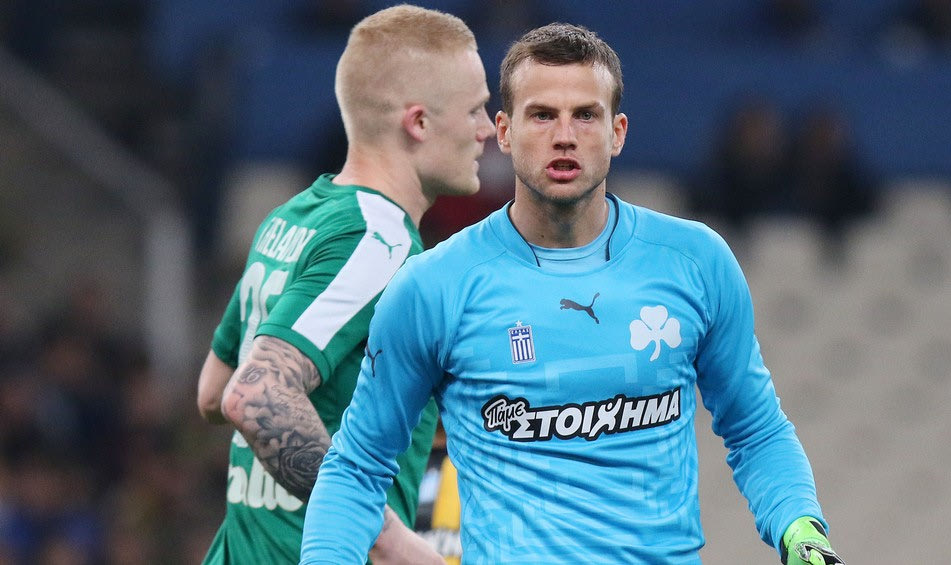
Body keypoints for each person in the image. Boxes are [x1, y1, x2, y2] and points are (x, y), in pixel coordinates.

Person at [301, 23, 844, 565]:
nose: (565, 135)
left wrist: (799, 528)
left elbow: (756, 430)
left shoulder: (696, 262)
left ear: (617, 132)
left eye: (585, 115)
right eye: (542, 115)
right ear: (504, 132)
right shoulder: (433, 287)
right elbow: (357, 466)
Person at [195, 4, 495, 564]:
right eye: (475, 109)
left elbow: (213, 392)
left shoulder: (292, 218)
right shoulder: (377, 241)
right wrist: (386, 535)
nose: (487, 130)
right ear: (419, 123)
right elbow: (254, 393)